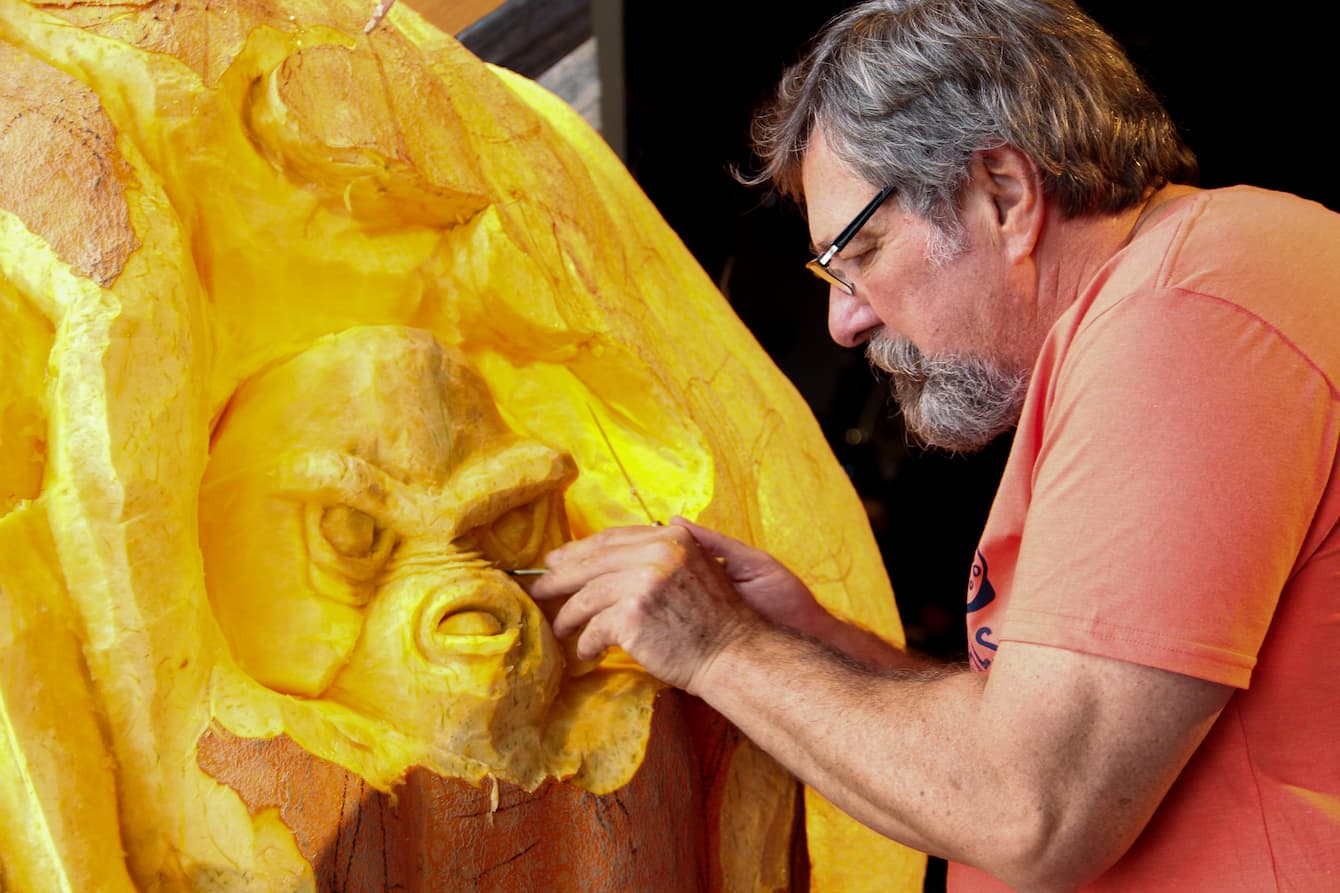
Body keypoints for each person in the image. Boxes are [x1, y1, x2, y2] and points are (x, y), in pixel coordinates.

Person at [531, 0, 1340, 889]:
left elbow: (1031, 807)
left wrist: (721, 647)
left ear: (1004, 192)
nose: (845, 318)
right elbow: (1020, 738)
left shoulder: (1187, 314)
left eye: (861, 249)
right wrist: (812, 642)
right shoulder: (1177, 298)